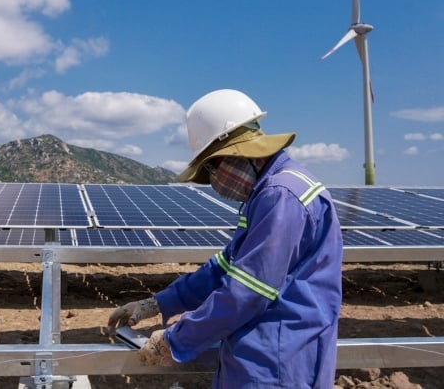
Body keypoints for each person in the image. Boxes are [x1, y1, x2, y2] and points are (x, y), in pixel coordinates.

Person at [108, 89, 343, 388]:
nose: (215, 181)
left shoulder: (280, 195)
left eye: (211, 167)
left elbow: (247, 290)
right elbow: (223, 267)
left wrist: (175, 340)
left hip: (276, 362)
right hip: (269, 355)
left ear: (235, 153)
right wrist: (157, 303)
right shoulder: (269, 192)